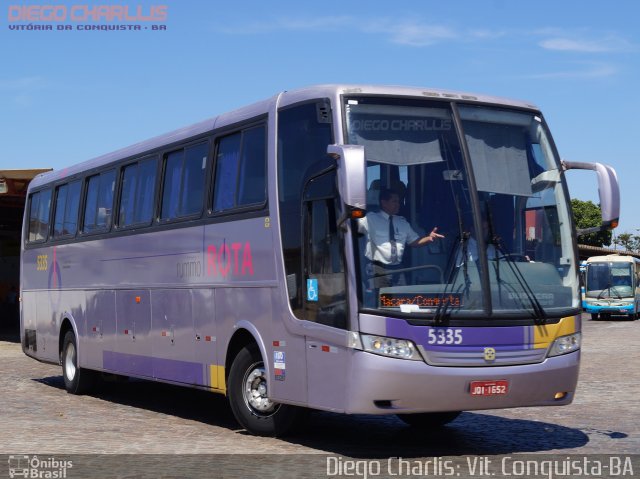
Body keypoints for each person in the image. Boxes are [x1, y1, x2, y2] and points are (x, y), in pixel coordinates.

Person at [358, 188, 443, 287]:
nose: (398, 204)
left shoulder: (402, 222)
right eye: (394, 201)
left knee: (401, 298)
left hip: (398, 269)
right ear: (384, 203)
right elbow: (349, 228)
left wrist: (429, 238)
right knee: (381, 300)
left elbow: (414, 242)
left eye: (399, 201)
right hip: (377, 268)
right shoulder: (370, 219)